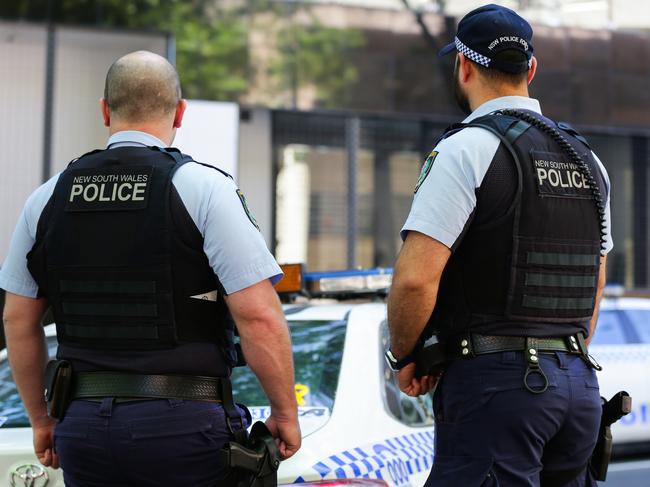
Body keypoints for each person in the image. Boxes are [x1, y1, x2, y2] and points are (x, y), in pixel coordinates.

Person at [0, 50, 300, 486]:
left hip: (81, 425)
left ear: (105, 110)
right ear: (180, 113)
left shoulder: (47, 197)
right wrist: (285, 412)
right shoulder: (204, 189)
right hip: (182, 425)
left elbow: (17, 318)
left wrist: (42, 420)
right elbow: (257, 314)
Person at [386, 5, 611, 487]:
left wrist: (405, 355)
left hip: (497, 386)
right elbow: (595, 280)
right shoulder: (588, 159)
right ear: (531, 69)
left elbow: (415, 278)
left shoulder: (465, 149)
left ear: (463, 67)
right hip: (578, 384)